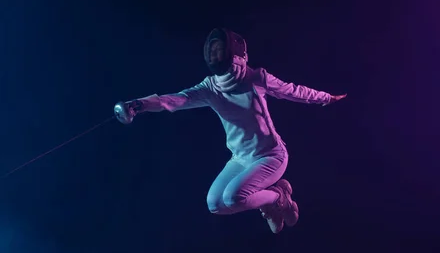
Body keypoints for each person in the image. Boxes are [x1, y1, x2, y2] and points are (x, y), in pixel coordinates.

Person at [114, 28, 346, 233]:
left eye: (219, 49)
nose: (215, 54)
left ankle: (278, 198)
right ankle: (270, 201)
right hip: (240, 159)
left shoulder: (256, 78)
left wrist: (325, 98)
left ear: (236, 54)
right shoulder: (210, 88)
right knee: (215, 204)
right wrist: (140, 104)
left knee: (233, 197)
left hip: (271, 157)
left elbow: (292, 90)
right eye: (212, 50)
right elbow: (176, 100)